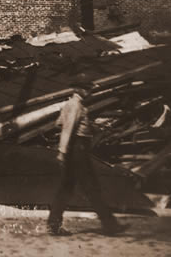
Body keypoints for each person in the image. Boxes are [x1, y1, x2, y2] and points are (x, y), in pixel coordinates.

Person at [47, 79, 123, 236]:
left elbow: (59, 123)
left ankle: (53, 224)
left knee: (66, 187)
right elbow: (67, 129)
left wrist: (87, 126)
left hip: (75, 148)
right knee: (91, 187)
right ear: (78, 89)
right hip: (78, 149)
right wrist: (62, 151)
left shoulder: (71, 105)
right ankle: (110, 225)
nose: (89, 91)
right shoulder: (75, 105)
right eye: (86, 88)